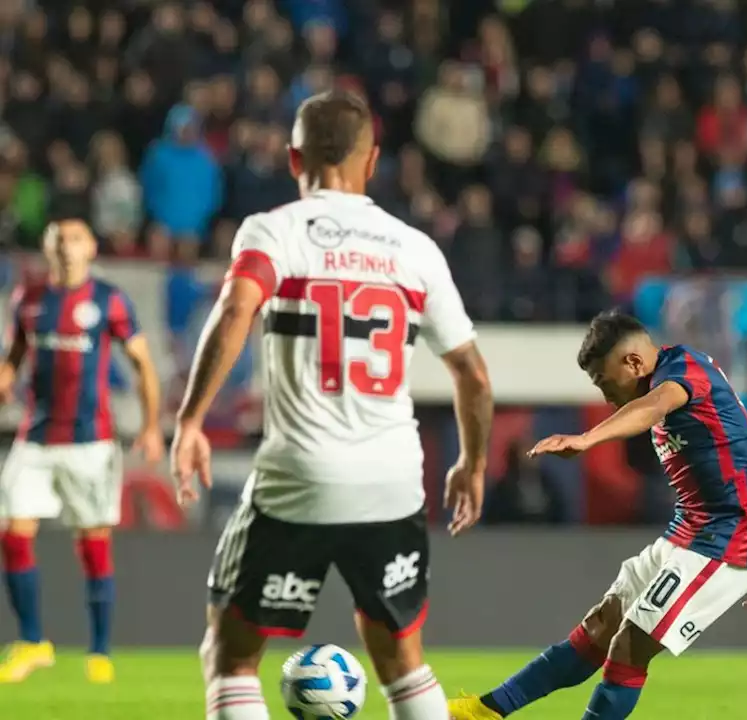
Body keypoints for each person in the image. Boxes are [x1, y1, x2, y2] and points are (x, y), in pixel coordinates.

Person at [168, 90, 494, 720]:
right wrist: (471, 465)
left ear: (293, 159)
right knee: (402, 660)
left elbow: (238, 307)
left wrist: (190, 420)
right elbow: (473, 375)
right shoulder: (414, 249)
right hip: (392, 481)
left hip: (300, 477)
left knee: (232, 656)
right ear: (372, 163)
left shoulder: (274, 231)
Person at [449, 310, 747, 720]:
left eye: (604, 382)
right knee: (599, 628)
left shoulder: (681, 372)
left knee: (629, 648)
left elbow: (655, 405)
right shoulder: (676, 373)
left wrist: (587, 438)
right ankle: (486, 711)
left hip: (729, 540)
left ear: (633, 362)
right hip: (689, 530)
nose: (605, 397)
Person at [0, 218, 165, 684]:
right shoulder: (28, 299)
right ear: (46, 247)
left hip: (90, 442)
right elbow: (14, 356)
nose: (66, 248)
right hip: (34, 436)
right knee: (13, 533)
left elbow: (143, 365)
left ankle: (99, 651)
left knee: (92, 544)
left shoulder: (108, 300)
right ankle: (33, 643)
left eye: (75, 239)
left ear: (91, 247)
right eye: (58, 239)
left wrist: (152, 427)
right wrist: (6, 378)